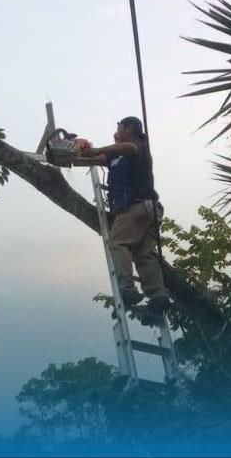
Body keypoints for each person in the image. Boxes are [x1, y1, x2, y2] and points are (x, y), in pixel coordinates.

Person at [79, 116, 170, 315]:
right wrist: (72, 153)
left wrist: (96, 149)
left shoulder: (138, 145)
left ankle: (127, 290)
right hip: (148, 210)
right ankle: (158, 295)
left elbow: (126, 148)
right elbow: (94, 159)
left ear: (129, 128)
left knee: (118, 243)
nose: (116, 131)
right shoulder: (116, 156)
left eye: (119, 127)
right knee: (144, 254)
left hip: (135, 207)